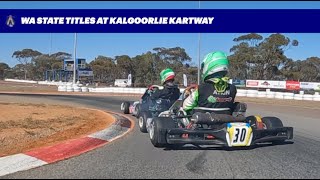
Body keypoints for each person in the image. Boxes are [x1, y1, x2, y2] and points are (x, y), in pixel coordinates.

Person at [182, 51, 238, 117]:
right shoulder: (232, 88)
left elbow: (186, 106)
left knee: (182, 111)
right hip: (224, 124)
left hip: (202, 125)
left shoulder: (200, 89)